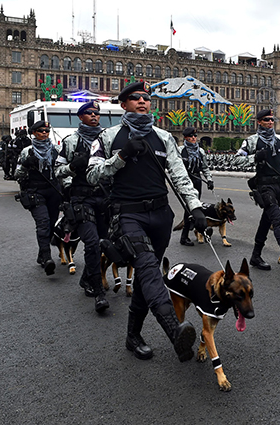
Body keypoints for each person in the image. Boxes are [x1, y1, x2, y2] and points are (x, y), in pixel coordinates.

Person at [87, 81, 205, 362]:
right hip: (128, 215)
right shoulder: (107, 137)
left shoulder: (164, 137)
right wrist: (122, 156)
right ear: (124, 104)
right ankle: (174, 331)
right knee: (151, 270)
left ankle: (133, 335)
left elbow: (179, 176)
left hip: (161, 215)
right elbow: (92, 175)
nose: (142, 101)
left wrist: (195, 208)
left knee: (144, 277)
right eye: (135, 98)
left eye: (146, 98)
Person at [232, 109, 280, 274]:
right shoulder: (252, 141)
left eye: (272, 119)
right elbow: (236, 161)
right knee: (277, 219)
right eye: (266, 119)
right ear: (259, 122)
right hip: (264, 186)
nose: (270, 122)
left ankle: (256, 256)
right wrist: (255, 157)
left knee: (266, 220)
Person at [54, 101, 110, 313]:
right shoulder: (70, 142)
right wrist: (71, 168)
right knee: (92, 243)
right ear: (80, 117)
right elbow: (57, 171)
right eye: (89, 113)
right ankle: (98, 291)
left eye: (97, 113)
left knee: (105, 244)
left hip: (104, 198)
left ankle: (87, 278)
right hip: (81, 199)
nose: (95, 116)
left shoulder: (107, 138)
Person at [15, 121, 61, 276]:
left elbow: (61, 170)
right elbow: (17, 174)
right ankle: (47, 258)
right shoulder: (27, 152)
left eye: (47, 130)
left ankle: (42, 253)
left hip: (53, 191)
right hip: (35, 191)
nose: (44, 133)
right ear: (33, 133)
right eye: (41, 131)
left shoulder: (56, 150)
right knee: (43, 223)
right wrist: (26, 165)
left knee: (52, 223)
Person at [178, 126, 214, 246]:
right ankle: (187, 235)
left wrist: (209, 179)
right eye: (191, 136)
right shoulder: (180, 150)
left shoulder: (200, 151)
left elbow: (204, 167)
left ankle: (197, 230)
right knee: (189, 208)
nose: (194, 138)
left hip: (197, 181)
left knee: (195, 207)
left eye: (195, 136)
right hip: (185, 181)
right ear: (185, 138)